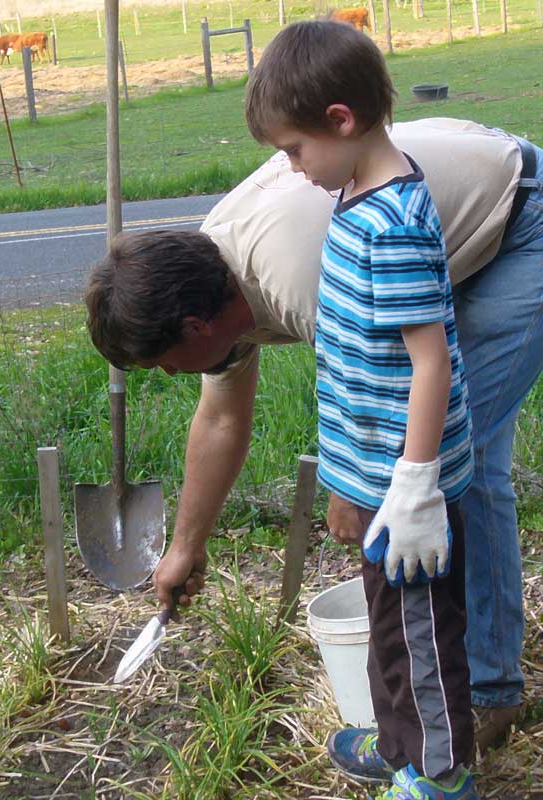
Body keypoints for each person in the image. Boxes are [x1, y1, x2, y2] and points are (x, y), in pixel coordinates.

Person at [85, 108, 543, 764]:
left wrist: (350, 488)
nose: (166, 374)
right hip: (448, 212)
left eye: (161, 361)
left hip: (516, 223)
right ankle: (434, 708)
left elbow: (386, 390)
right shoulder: (209, 273)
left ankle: (487, 694)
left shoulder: (302, 275)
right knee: (446, 470)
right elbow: (221, 419)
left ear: (194, 327)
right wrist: (185, 547)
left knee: (452, 469)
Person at [244, 18, 478, 798]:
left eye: (292, 150)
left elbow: (429, 361)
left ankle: (441, 777)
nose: (290, 168)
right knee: (391, 630)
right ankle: (402, 744)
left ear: (340, 120)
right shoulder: (354, 196)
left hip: (411, 490)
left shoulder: (393, 225)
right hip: (380, 480)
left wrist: (413, 487)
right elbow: (355, 368)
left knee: (422, 639)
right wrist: (352, 485)